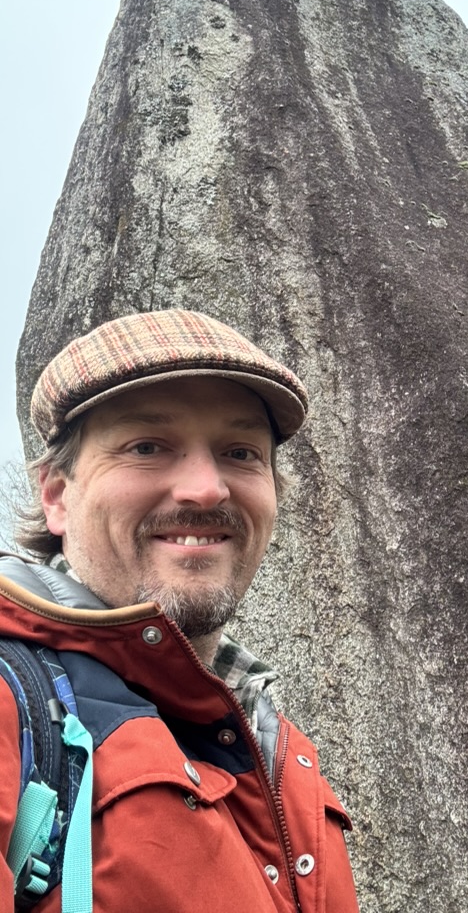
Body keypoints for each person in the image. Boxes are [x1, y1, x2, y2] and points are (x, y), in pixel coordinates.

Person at [0, 309, 359, 912]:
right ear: (58, 496)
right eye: (148, 446)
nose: (206, 488)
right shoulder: (13, 705)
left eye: (240, 452)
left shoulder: (279, 753)